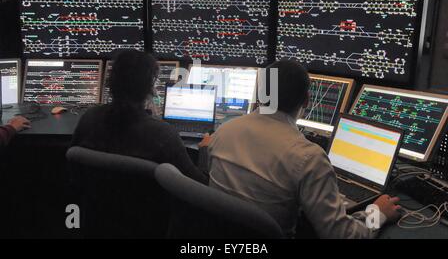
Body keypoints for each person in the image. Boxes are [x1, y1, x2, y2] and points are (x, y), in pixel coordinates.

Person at [199, 60, 401, 238]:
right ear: (307, 100)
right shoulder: (308, 157)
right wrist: (377, 213)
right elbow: (342, 235)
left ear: (260, 95)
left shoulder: (224, 131)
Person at [71, 49, 206, 184]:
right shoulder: (163, 135)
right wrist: (205, 152)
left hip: (94, 201)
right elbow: (198, 183)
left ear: (110, 82)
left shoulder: (89, 119)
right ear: (150, 88)